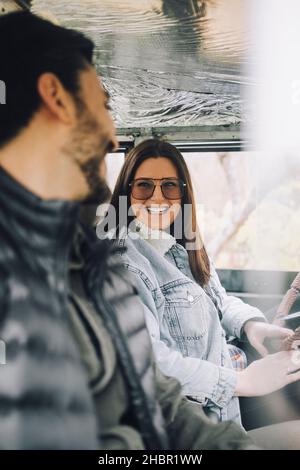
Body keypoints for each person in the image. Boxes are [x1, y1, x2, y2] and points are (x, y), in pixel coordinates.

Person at [0, 10, 259, 451]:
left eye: (169, 187)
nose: (113, 137)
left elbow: (160, 398)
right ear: (56, 98)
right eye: (102, 105)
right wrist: (237, 381)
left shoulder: (91, 258)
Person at [106, 138, 300, 428]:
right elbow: (149, 363)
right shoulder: (123, 264)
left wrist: (252, 326)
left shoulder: (182, 243)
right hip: (189, 424)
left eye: (169, 186)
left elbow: (217, 299)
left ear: (183, 193)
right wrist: (242, 382)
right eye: (144, 185)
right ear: (126, 193)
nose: (157, 198)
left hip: (224, 405)